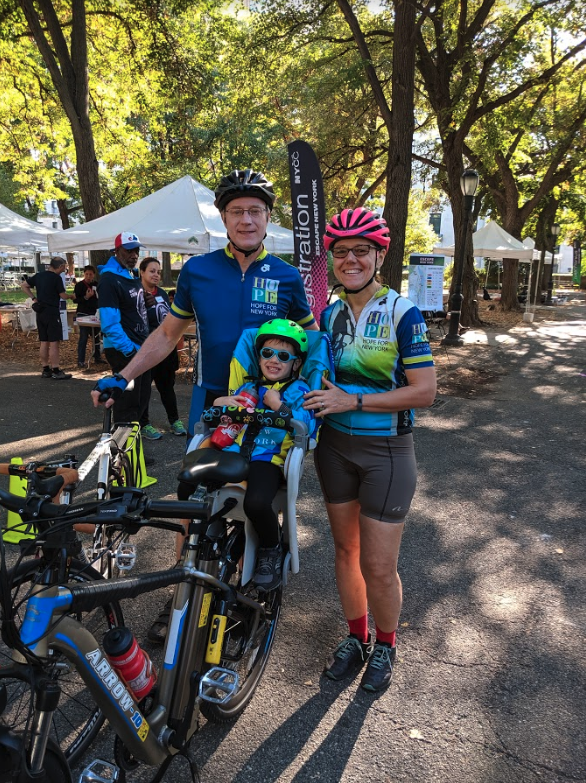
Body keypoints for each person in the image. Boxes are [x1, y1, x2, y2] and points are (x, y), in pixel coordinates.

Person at [92, 169, 317, 641]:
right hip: (212, 398)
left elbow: (312, 346)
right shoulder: (198, 270)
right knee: (195, 495)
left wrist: (311, 401)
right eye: (237, 211)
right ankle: (183, 593)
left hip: (266, 407)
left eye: (255, 211)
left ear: (268, 217)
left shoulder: (286, 276)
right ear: (224, 218)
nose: (247, 219)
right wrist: (124, 376)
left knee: (261, 487)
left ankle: (254, 577)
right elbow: (167, 335)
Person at [303, 208, 437, 693]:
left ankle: (386, 644)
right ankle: (356, 638)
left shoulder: (403, 312)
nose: (350, 259)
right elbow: (316, 375)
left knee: (378, 565)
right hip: (335, 447)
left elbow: (424, 391)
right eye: (340, 252)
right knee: (345, 551)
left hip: (387, 452)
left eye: (361, 250)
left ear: (378, 255)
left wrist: (351, 399)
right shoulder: (329, 314)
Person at [212, 319, 314, 590]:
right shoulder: (248, 387)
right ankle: (211, 541)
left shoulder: (299, 391)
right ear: (258, 358)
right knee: (192, 486)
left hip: (267, 459)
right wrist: (221, 403)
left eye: (283, 356)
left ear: (296, 364)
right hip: (235, 452)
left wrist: (278, 405)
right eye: (267, 353)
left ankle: (271, 548)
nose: (273, 360)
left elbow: (306, 424)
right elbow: (226, 415)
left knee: (256, 504)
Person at [97, 232, 150, 425]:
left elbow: (132, 307)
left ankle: (133, 452)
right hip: (125, 351)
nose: (134, 255)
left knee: (140, 400)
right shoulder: (109, 279)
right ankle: (121, 453)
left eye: (136, 250)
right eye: (129, 251)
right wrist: (130, 351)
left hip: (140, 349)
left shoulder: (129, 274)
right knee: (127, 403)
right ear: (117, 251)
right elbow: (109, 324)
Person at [138, 257, 187, 438]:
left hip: (165, 349)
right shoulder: (136, 293)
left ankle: (174, 420)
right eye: (152, 271)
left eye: (158, 271)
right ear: (141, 272)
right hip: (146, 350)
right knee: (143, 389)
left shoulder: (163, 294)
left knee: (167, 386)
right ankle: (144, 424)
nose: (156, 275)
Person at [20, 256, 75, 380]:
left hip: (41, 311)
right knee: (54, 341)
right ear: (60, 266)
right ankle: (55, 369)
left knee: (44, 341)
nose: (64, 270)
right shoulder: (56, 278)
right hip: (52, 312)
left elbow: (24, 285)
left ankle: (45, 369)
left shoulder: (39, 276)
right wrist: (71, 296)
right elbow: (63, 295)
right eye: (64, 267)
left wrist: (34, 298)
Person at [73, 265, 105, 368]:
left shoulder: (97, 285)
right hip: (83, 313)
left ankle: (97, 357)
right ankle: (81, 360)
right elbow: (75, 300)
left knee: (96, 336)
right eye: (86, 274)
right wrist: (86, 297)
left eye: (90, 274)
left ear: (94, 275)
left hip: (94, 313)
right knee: (84, 336)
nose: (88, 276)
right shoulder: (79, 286)